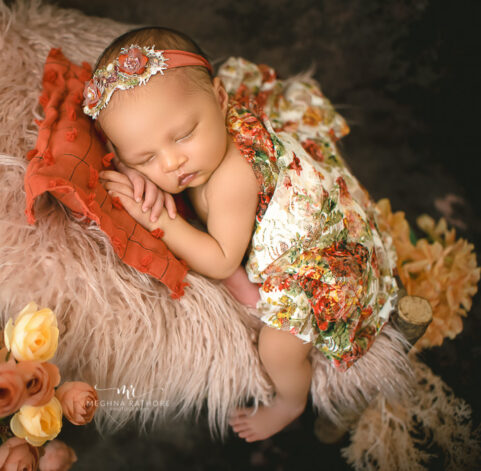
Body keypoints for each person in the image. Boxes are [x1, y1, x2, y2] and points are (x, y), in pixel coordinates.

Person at [84, 27, 399, 442]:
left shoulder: (231, 179)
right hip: (288, 216)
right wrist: (133, 171)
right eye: (145, 158)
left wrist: (162, 221)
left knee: (278, 348)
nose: (173, 162)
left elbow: (221, 260)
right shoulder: (191, 140)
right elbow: (140, 140)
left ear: (220, 98)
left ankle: (290, 402)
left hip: (325, 261)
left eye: (184, 135)